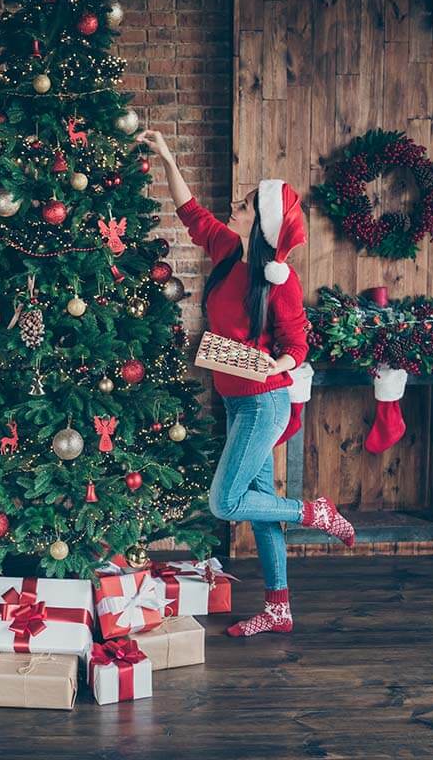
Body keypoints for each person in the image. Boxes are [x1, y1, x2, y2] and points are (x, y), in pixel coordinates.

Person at [137, 129, 356, 638]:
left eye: (245, 204)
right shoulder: (226, 248)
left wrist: (271, 366)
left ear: (262, 223)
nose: (234, 206)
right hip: (237, 404)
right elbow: (189, 210)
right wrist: (168, 155)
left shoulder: (279, 280)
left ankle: (313, 511)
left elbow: (297, 347)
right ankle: (279, 606)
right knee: (259, 512)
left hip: (264, 403)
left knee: (225, 502)